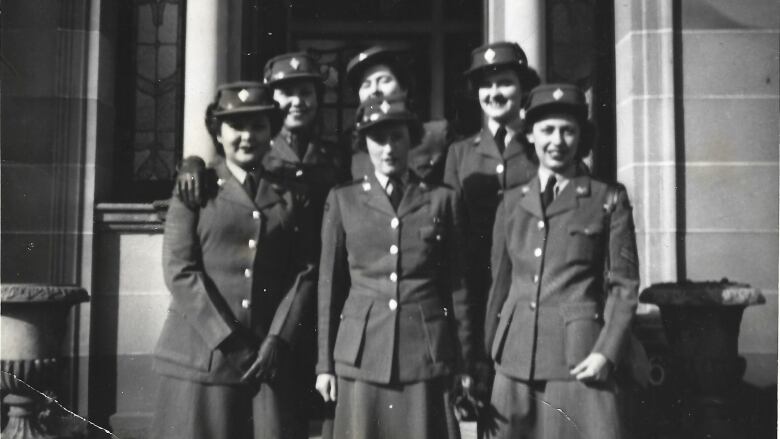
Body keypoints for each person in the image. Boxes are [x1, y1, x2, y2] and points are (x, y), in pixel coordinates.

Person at [151, 82, 316, 439]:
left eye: (258, 126)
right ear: (218, 132)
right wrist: (228, 340)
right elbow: (180, 271)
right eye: (236, 126)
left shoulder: (290, 195)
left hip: (266, 364)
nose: (247, 136)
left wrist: (278, 339)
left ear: (271, 131)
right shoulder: (196, 187)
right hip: (202, 360)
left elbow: (304, 272)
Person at [484, 83, 639, 438]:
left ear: (581, 135)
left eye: (568, 130)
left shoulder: (607, 198)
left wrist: (607, 352)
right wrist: (489, 352)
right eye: (547, 130)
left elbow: (624, 287)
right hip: (513, 359)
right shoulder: (511, 202)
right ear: (531, 134)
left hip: (580, 359)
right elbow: (500, 285)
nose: (557, 141)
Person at [315, 97, 476, 439]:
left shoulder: (441, 199)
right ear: (363, 144)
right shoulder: (343, 199)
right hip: (361, 354)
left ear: (411, 139)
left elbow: (457, 286)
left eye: (397, 137)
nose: (388, 148)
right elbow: (329, 287)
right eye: (378, 139)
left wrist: (463, 362)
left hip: (425, 354)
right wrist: (324, 365)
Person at [443, 41, 541, 416]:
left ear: (523, 89)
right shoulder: (459, 153)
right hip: (475, 286)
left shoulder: (539, 147)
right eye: (487, 86)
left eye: (505, 82)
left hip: (524, 283)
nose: (495, 93)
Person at [346, 45, 453, 183]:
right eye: (366, 85)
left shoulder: (437, 135)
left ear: (404, 89)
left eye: (384, 80)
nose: (374, 90)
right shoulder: (352, 145)